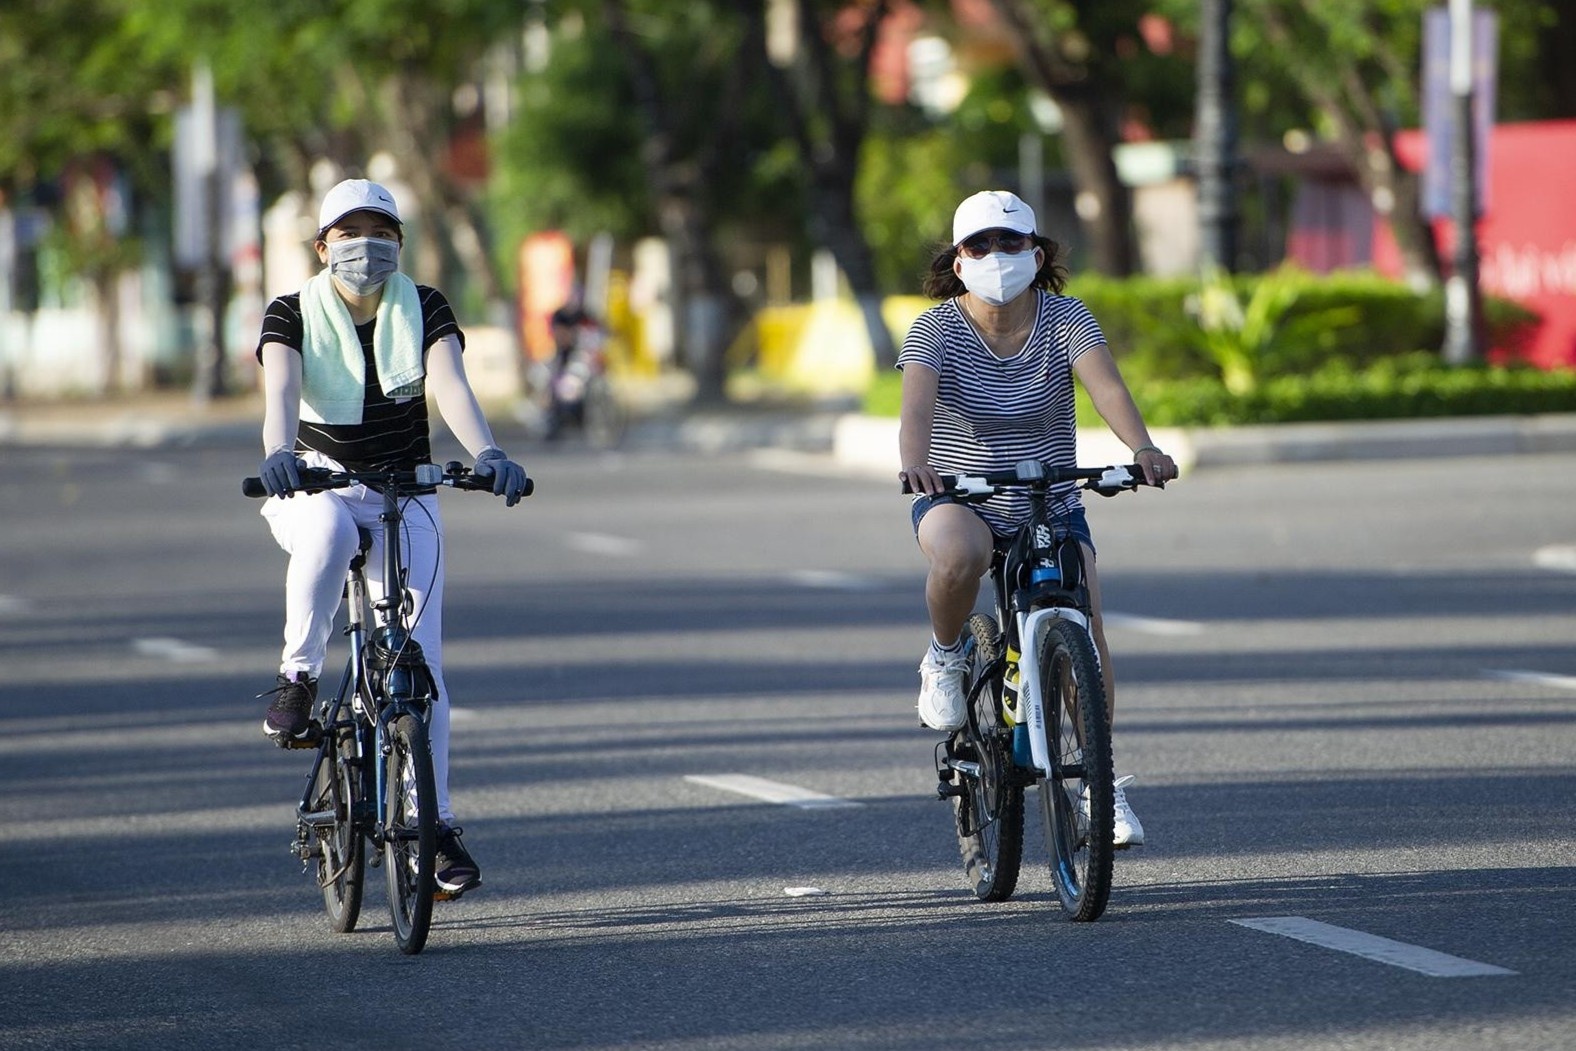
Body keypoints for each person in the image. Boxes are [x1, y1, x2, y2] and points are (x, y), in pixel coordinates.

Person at [253, 178, 529, 896]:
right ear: (321, 246)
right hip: (315, 482)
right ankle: (298, 676)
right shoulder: (289, 313)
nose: (364, 247)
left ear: (400, 244)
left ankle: (432, 831)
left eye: (380, 232)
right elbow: (279, 391)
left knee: (423, 671)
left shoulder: (425, 306)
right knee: (324, 531)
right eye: (348, 234)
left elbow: (451, 386)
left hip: (405, 488)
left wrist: (489, 452)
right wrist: (280, 451)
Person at [896, 189, 1177, 848]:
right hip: (959, 493)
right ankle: (946, 655)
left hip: (1052, 498)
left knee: (1085, 616)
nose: (998, 256)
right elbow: (916, 412)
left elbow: (1106, 385)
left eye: (1011, 242)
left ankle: (1100, 786)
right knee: (960, 553)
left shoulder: (1066, 317)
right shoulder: (934, 328)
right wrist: (916, 464)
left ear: (1037, 251)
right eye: (980, 246)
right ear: (957, 262)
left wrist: (1142, 448)